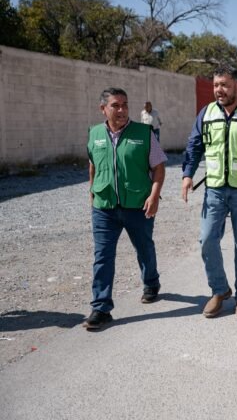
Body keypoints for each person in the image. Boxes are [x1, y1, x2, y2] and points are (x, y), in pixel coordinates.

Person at [181, 65, 237, 319]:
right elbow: (194, 145)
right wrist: (187, 174)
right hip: (214, 190)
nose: (219, 90)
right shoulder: (207, 112)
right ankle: (220, 290)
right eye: (215, 85)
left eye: (224, 85)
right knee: (207, 240)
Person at [84, 87, 167, 330]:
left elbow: (159, 168)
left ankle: (151, 282)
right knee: (102, 256)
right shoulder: (94, 133)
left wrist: (154, 196)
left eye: (125, 105)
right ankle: (101, 308)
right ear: (103, 109)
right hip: (104, 207)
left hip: (138, 205)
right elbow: (93, 166)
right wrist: (92, 192)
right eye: (116, 105)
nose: (122, 110)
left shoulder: (144, 133)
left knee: (144, 248)